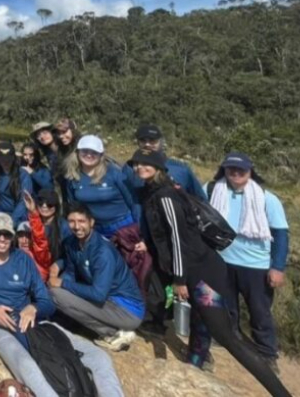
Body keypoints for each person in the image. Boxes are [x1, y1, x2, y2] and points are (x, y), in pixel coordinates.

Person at [130, 148, 290, 396]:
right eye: (136, 164)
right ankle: (195, 363)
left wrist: (180, 280)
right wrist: (149, 245)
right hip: (200, 269)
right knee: (210, 324)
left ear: (159, 167)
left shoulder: (164, 196)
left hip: (200, 276)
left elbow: (178, 239)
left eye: (146, 163)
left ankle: (281, 393)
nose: (140, 167)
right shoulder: (161, 190)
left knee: (227, 336)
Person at [0, 212, 123, 397]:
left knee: (99, 357)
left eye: (7, 234)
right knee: (28, 368)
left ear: (13, 235)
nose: (2, 239)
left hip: (35, 323)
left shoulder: (23, 259)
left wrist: (33, 308)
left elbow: (46, 301)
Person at [209, 152, 289, 367]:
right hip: (222, 259)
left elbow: (281, 234)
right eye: (230, 169)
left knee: (259, 311)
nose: (235, 173)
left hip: (256, 265)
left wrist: (278, 267)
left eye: (240, 170)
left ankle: (267, 352)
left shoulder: (266, 198)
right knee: (226, 306)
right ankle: (230, 338)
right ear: (223, 169)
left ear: (250, 171)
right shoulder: (214, 190)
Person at [49, 204, 144, 352]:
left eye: (81, 221)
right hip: (107, 301)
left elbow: (98, 295)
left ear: (91, 222)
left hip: (127, 310)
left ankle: (114, 333)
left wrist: (62, 284)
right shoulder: (72, 243)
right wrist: (58, 271)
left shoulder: (102, 252)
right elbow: (70, 271)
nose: (76, 226)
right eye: (72, 221)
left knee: (57, 295)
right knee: (55, 291)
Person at [63, 135, 139, 239]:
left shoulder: (114, 173)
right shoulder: (73, 177)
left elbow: (133, 202)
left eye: (94, 152)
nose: (89, 155)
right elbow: (73, 207)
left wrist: (140, 229)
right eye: (85, 151)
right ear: (77, 153)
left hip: (123, 226)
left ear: (101, 155)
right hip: (95, 229)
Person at [122, 124, 206, 200]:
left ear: (161, 142)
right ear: (138, 143)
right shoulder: (129, 168)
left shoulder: (180, 169)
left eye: (152, 140)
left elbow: (201, 200)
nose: (147, 144)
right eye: (143, 140)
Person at [0, 142, 33, 223]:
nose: (5, 162)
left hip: (19, 217)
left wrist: (12, 220)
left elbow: (23, 201)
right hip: (0, 216)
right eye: (2, 159)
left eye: (8, 159)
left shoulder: (23, 175)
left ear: (13, 158)